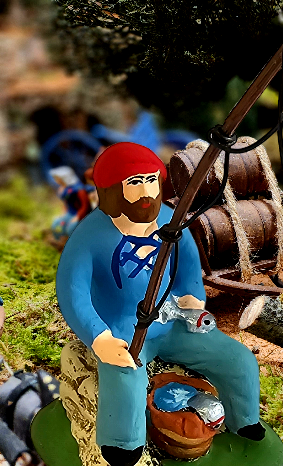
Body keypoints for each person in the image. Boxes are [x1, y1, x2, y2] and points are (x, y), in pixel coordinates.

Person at [56, 142, 263, 466]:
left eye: (151, 180)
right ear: (112, 190)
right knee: (124, 376)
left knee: (238, 359)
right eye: (134, 183)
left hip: (172, 319)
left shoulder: (170, 221)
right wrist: (99, 337)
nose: (146, 192)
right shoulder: (89, 237)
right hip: (122, 328)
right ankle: (122, 442)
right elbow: (73, 293)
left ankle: (245, 418)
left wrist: (191, 297)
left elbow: (188, 266)